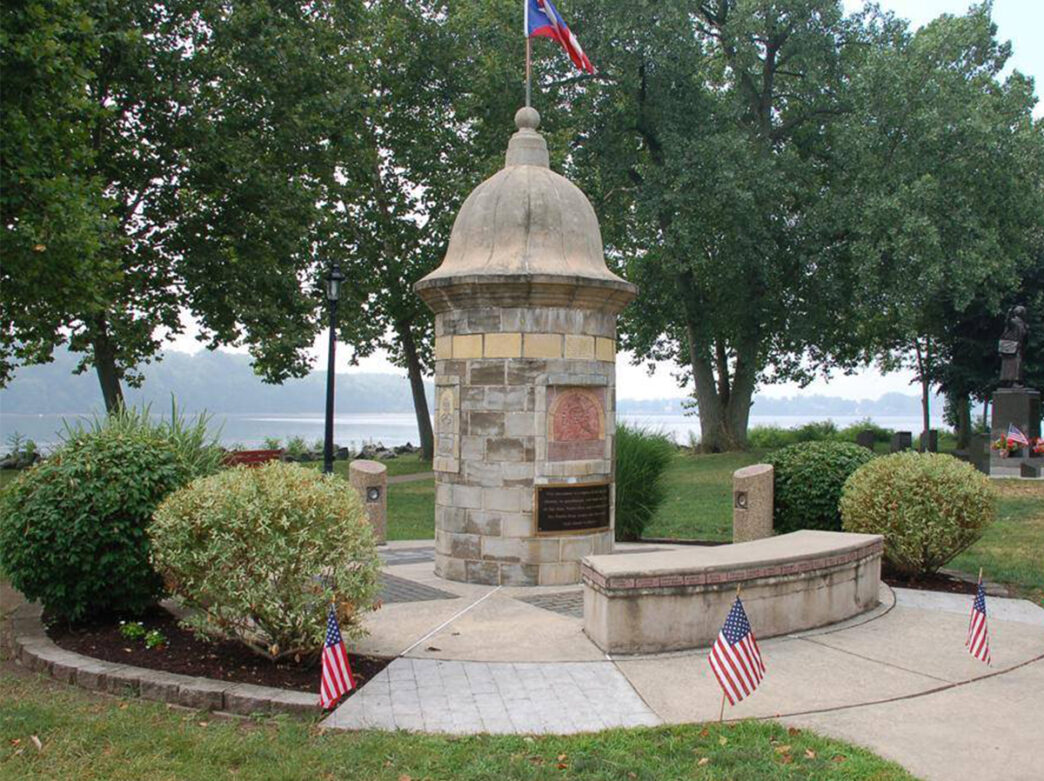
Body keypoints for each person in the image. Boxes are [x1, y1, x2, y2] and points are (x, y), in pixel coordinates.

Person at [998, 305, 1029, 387]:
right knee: (1013, 364)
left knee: (1017, 364)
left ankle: (1013, 382)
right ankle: (1013, 382)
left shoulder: (1023, 324)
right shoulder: (1014, 321)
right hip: (1011, 347)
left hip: (1018, 347)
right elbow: (1008, 321)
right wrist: (1008, 313)